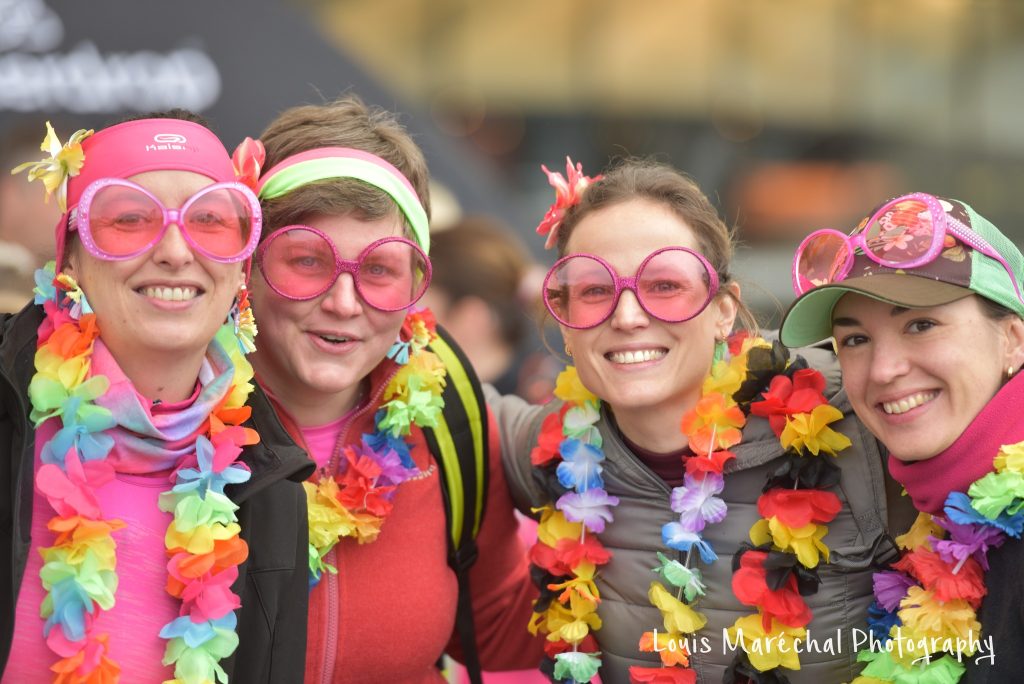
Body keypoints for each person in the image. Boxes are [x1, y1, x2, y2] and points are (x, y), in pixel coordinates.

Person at [487, 157, 915, 683]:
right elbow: (438, 393)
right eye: (595, 289)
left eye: (665, 284)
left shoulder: (858, 415)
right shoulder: (552, 451)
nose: (627, 316)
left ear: (723, 311)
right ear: (567, 325)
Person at [0, 112, 313, 683]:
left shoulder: (271, 484)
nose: (174, 250)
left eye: (211, 220)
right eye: (129, 218)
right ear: (70, 253)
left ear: (240, 263)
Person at [243, 95, 543, 683]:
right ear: (246, 263)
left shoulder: (450, 417)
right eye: (307, 259)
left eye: (379, 269)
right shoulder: (170, 416)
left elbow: (504, 633)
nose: (343, 302)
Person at [780, 192, 1024, 682]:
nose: (884, 371)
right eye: (854, 340)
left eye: (921, 324)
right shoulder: (937, 518)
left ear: (1012, 341)